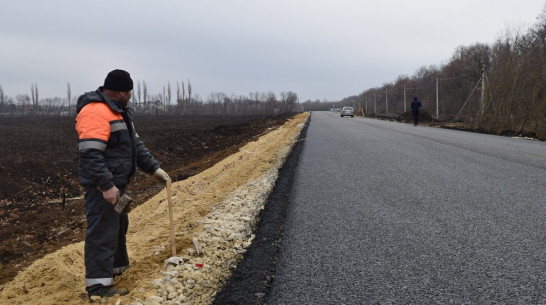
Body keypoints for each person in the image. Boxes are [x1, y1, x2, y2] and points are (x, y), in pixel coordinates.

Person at [75, 69, 171, 299]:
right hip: (103, 187)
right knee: (102, 232)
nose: (131, 96)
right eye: (129, 92)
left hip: (117, 184)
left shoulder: (118, 112)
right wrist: (106, 186)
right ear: (121, 91)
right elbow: (90, 155)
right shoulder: (95, 112)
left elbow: (135, 145)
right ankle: (98, 287)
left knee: (117, 229)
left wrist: (154, 168)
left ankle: (115, 272)